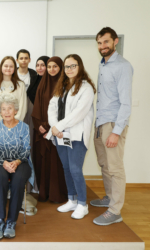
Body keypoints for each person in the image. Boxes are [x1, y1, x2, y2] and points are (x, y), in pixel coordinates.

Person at [90, 27, 133, 226]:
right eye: (99, 43)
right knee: (104, 164)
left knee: (115, 167)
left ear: (115, 41)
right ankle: (109, 197)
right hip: (101, 122)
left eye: (106, 42)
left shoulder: (122, 66)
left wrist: (116, 132)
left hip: (113, 123)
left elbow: (125, 103)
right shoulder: (104, 65)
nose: (102, 46)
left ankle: (115, 210)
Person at [46, 54, 96, 219]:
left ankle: (83, 204)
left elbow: (79, 113)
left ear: (80, 66)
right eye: (67, 67)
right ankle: (72, 199)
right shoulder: (63, 85)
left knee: (75, 169)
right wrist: (55, 127)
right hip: (61, 134)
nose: (69, 69)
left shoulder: (86, 88)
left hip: (76, 135)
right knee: (66, 168)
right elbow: (52, 107)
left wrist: (58, 126)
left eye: (73, 66)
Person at [0, 94, 33, 240]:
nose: (7, 112)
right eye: (3, 109)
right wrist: (4, 163)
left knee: (19, 179)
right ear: (0, 112)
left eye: (10, 108)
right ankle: (0, 220)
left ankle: (12, 221)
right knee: (0, 177)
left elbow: (26, 149)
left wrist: (17, 162)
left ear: (16, 110)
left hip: (20, 162)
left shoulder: (24, 127)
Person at [31, 57, 68, 203]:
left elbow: (66, 110)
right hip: (42, 130)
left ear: (61, 68)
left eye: (55, 67)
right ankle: (44, 192)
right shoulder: (43, 84)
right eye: (49, 66)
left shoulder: (65, 85)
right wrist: (40, 126)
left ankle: (58, 193)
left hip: (58, 129)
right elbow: (37, 108)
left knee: (58, 162)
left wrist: (52, 127)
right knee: (43, 161)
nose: (52, 69)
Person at [16, 49, 40, 193]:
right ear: (17, 60)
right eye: (21, 58)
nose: (23, 60)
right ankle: (15, 185)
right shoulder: (12, 74)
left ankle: (31, 185)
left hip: (30, 112)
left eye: (26, 58)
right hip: (15, 111)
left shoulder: (34, 75)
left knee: (28, 145)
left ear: (29, 60)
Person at [0, 56, 27, 122]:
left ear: (15, 68)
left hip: (16, 124)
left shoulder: (21, 85)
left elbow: (23, 107)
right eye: (6, 66)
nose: (8, 68)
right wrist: (2, 123)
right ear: (1, 67)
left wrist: (14, 122)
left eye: (11, 66)